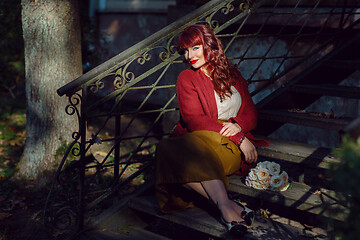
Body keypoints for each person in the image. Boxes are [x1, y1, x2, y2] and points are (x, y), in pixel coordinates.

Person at [155, 24, 269, 237]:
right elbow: (194, 120)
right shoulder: (186, 78)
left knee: (174, 156)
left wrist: (239, 132)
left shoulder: (232, 73)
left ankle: (226, 207)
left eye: (195, 48)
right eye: (185, 51)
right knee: (165, 148)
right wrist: (238, 135)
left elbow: (252, 113)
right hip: (200, 140)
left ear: (209, 45)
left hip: (227, 146)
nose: (190, 56)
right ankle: (228, 206)